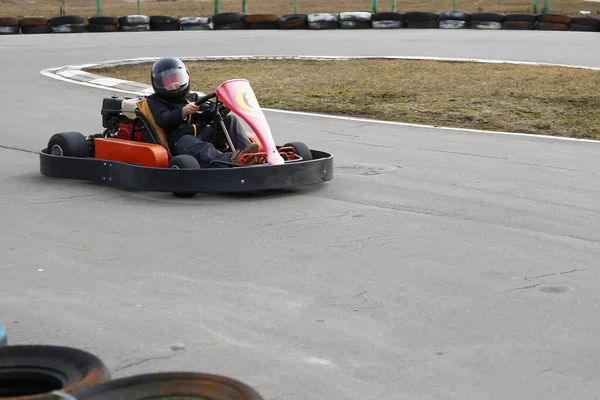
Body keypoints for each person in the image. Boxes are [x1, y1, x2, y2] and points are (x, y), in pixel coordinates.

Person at [145, 57, 262, 168]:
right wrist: (182, 112)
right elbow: (163, 120)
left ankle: (249, 156)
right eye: (168, 83)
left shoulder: (192, 97)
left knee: (230, 120)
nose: (174, 86)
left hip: (202, 135)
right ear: (158, 83)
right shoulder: (155, 101)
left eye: (176, 80)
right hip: (180, 142)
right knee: (196, 144)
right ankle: (232, 159)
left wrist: (224, 107)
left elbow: (208, 115)